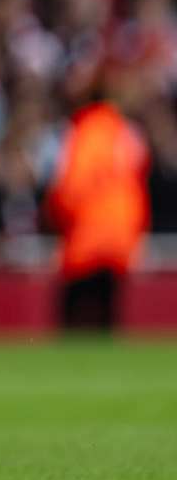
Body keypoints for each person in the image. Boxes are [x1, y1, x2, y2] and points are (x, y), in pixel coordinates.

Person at [45, 89, 150, 330]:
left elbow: (70, 188)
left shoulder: (83, 132)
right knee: (107, 310)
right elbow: (138, 186)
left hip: (87, 237)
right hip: (122, 236)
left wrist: (55, 219)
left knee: (72, 309)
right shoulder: (128, 133)